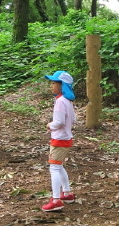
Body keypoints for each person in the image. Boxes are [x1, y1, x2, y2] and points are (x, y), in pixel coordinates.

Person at [41, 71, 77, 212]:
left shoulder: (61, 101)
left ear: (63, 85)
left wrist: (50, 125)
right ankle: (66, 193)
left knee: (54, 168)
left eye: (54, 83)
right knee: (59, 166)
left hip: (59, 139)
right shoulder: (66, 100)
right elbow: (72, 119)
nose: (52, 85)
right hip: (66, 138)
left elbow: (59, 122)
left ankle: (56, 200)